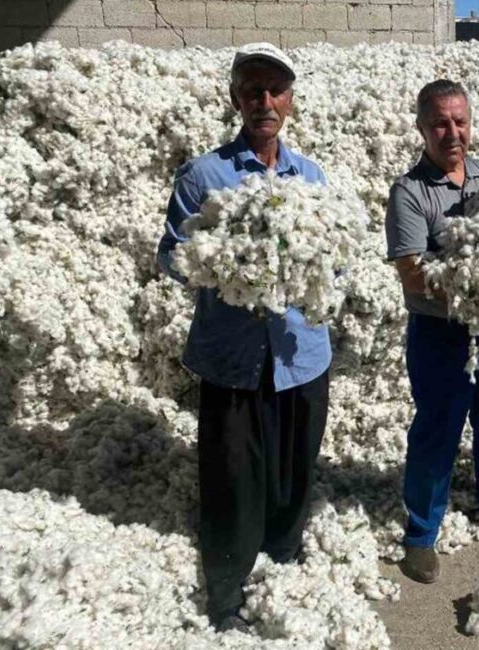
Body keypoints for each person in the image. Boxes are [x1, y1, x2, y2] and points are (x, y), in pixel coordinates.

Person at [156, 43, 332, 633]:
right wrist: (225, 265)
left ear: (290, 100)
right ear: (236, 97)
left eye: (275, 90)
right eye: (253, 89)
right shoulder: (204, 176)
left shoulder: (311, 177)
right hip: (232, 360)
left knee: (293, 471)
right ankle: (226, 596)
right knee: (232, 477)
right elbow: (170, 258)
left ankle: (280, 565)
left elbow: (336, 257)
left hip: (300, 354)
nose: (265, 102)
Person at [384, 79, 479, 585]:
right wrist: (478, 279)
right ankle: (422, 533)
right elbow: (411, 270)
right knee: (437, 428)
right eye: (441, 123)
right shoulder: (410, 192)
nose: (453, 132)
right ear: (423, 128)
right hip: (440, 334)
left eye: (461, 121)